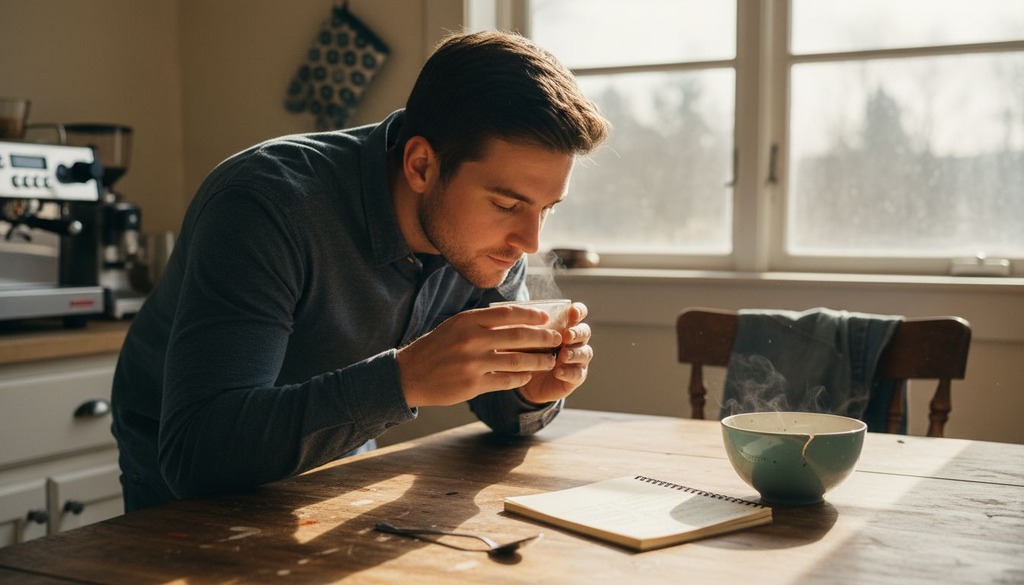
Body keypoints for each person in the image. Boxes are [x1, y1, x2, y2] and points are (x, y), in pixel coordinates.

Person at [110, 30, 609, 512]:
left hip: (333, 468)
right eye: (505, 204)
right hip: (181, 498)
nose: (530, 242)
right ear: (421, 166)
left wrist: (527, 394)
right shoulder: (265, 206)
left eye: (547, 209)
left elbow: (500, 411)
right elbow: (199, 454)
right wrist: (403, 379)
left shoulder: (485, 244)